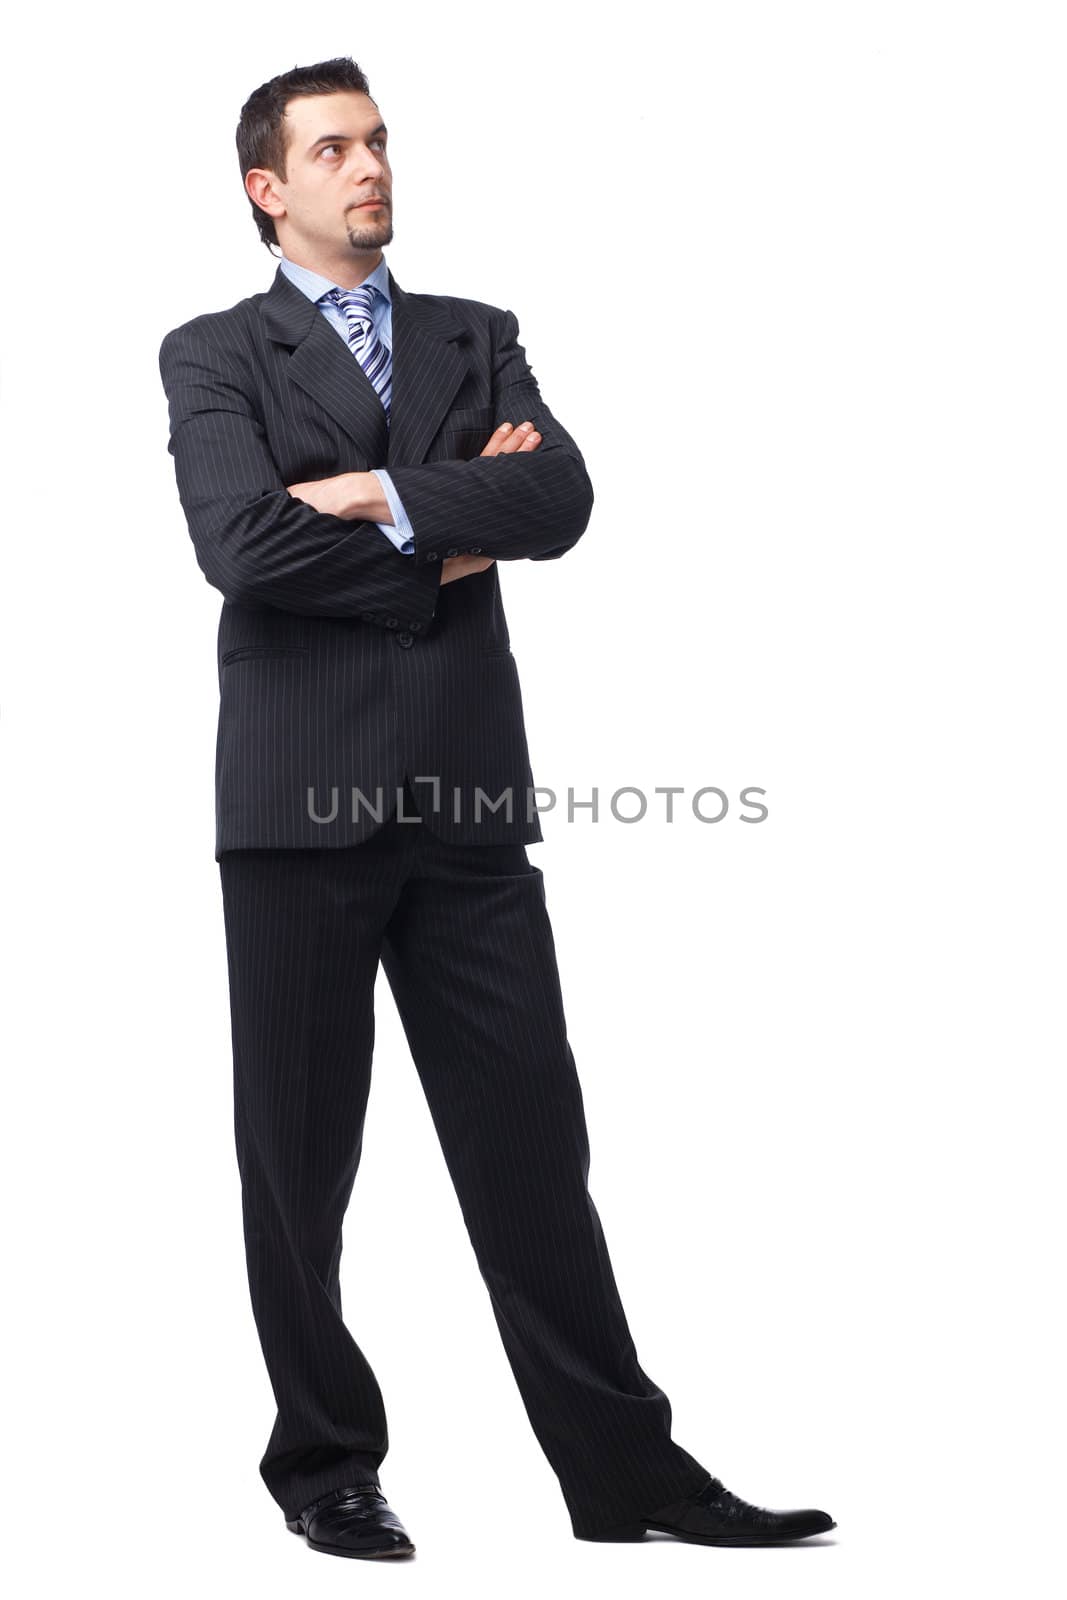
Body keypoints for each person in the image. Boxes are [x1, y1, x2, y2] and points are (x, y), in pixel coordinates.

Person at [157, 55, 836, 1561]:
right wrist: (455, 530)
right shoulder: (214, 352)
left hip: (466, 801)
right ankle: (325, 1464)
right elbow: (242, 547)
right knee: (300, 1163)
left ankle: (627, 1473)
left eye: (380, 142)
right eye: (333, 150)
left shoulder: (476, 334)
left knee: (534, 1147)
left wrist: (376, 499)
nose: (369, 168)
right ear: (270, 189)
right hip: (295, 804)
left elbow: (564, 503)